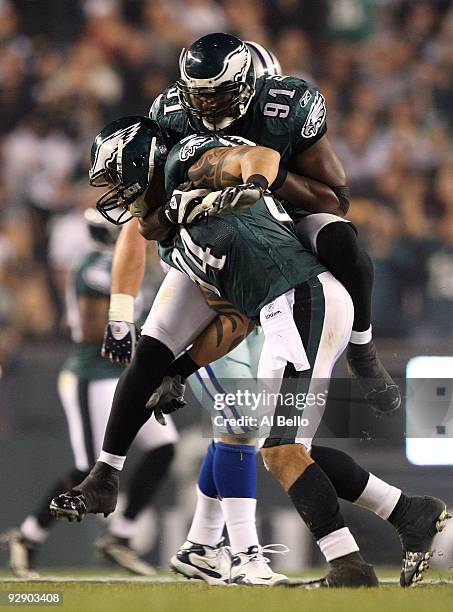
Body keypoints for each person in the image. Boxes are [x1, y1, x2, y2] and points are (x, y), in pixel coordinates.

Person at [51, 117, 448, 587]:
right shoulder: (179, 231)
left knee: (277, 449)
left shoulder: (188, 167)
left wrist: (251, 184)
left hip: (304, 305)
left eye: (120, 180)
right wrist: (181, 368)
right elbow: (235, 319)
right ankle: (406, 515)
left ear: (143, 167)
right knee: (283, 447)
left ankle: (345, 565)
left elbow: (251, 159)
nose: (117, 194)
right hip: (290, 311)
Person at [1, 208, 177, 578]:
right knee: (88, 469)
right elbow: (93, 329)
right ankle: (28, 537)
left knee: (163, 447)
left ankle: (121, 537)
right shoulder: (98, 265)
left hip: (122, 377)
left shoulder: (117, 264)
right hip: (93, 376)